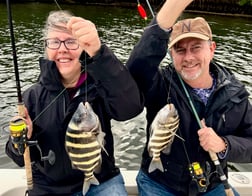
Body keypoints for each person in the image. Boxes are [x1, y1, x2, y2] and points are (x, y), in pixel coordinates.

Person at [5, 10, 143, 196]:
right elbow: (19, 158)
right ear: (46, 48)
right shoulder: (32, 96)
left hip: (101, 181)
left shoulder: (101, 85)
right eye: (54, 42)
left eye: (71, 41)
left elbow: (130, 108)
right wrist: (20, 140)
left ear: (84, 46)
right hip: (49, 188)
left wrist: (99, 53)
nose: (62, 49)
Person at [126, 0, 252, 195]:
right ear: (171, 53)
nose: (188, 57)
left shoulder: (236, 94)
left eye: (196, 47)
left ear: (212, 49)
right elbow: (136, 69)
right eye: (180, 50)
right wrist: (167, 15)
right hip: (158, 183)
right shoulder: (159, 84)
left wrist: (224, 145)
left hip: (213, 185)